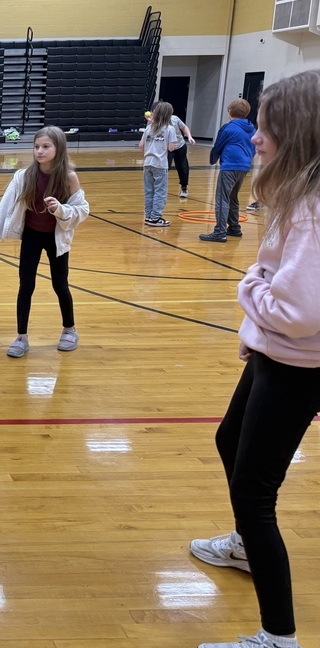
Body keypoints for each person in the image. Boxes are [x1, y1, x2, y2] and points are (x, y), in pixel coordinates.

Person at [189, 70, 320, 648]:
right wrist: (260, 316)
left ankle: (278, 637)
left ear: (295, 133)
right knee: (227, 440)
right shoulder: (297, 195)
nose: (255, 136)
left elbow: (295, 310)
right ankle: (246, 547)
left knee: (254, 490)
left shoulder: (312, 210)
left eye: (264, 128)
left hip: (298, 364)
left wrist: (251, 289)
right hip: (278, 354)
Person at [0, 125, 90, 357]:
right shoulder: (24, 176)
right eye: (36, 147)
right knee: (26, 286)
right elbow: (4, 205)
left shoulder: (69, 178)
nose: (39, 151)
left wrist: (60, 209)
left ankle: (69, 330)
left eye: (46, 147)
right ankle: (21, 337)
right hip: (31, 235)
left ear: (59, 148)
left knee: (60, 285)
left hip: (55, 239)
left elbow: (82, 210)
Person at [199, 98, 255, 243]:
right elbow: (253, 148)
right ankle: (234, 228)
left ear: (230, 112)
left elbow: (218, 145)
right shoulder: (251, 128)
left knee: (222, 197)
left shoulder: (228, 128)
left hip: (230, 166)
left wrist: (212, 159)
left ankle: (220, 231)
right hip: (244, 166)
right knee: (233, 197)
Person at [140, 100, 180, 227]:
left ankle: (148, 216)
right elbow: (171, 148)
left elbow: (141, 146)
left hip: (147, 163)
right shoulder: (170, 129)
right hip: (160, 164)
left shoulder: (148, 128)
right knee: (160, 192)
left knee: (149, 191)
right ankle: (156, 217)